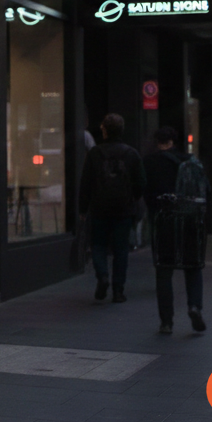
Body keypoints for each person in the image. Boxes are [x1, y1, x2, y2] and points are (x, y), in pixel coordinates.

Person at [143, 126, 206, 334]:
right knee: (193, 267)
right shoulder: (189, 162)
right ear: (174, 141)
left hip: (163, 221)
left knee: (163, 271)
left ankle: (166, 322)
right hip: (189, 220)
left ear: (157, 141)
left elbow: (144, 191)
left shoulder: (149, 162)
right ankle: (194, 306)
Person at [79, 113, 146, 303]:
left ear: (104, 130)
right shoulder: (131, 153)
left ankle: (102, 276)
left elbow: (85, 184)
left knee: (98, 244)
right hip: (124, 209)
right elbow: (141, 182)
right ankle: (118, 291)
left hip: (99, 208)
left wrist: (83, 209)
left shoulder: (94, 154)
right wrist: (133, 198)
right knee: (121, 250)